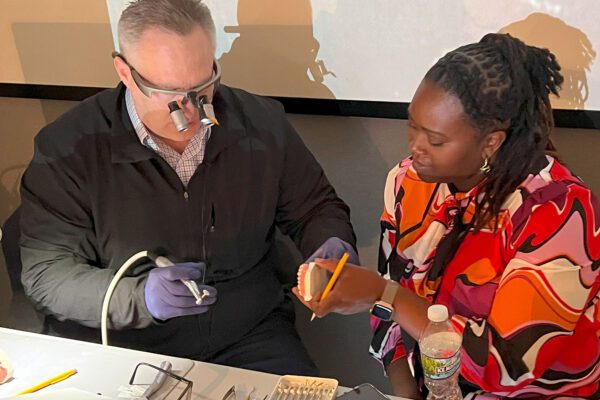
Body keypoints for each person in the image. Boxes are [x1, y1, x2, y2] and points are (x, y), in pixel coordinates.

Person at [18, 0, 358, 376]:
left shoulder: (261, 123)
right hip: (125, 346)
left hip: (248, 335)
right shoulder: (69, 148)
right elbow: (47, 274)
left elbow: (316, 208)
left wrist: (334, 247)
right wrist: (139, 297)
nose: (193, 111)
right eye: (172, 94)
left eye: (204, 86)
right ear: (125, 72)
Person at [294, 33, 600, 398]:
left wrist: (383, 292)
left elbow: (505, 364)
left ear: (491, 142)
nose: (415, 147)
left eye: (435, 141)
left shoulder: (558, 211)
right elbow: (392, 325)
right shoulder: (407, 182)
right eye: (412, 126)